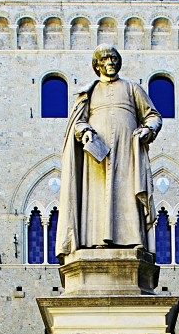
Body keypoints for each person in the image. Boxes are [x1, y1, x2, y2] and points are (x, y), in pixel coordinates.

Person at [55, 45, 163, 257]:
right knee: (97, 195)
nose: (110, 62)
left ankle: (133, 239)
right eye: (105, 59)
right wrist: (85, 132)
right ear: (97, 65)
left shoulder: (132, 89)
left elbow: (153, 116)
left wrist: (148, 129)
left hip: (127, 152)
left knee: (127, 190)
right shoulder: (90, 92)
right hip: (97, 156)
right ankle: (94, 240)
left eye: (113, 58)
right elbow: (78, 121)